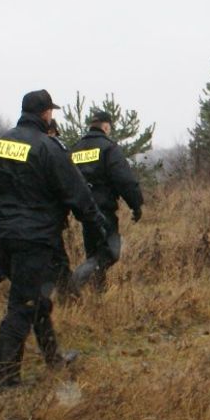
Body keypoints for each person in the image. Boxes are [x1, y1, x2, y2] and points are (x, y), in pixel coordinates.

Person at [0, 89, 108, 389]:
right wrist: (99, 233)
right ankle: (7, 382)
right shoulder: (48, 148)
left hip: (2, 237)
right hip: (34, 238)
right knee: (23, 306)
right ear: (45, 114)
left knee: (38, 299)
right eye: (50, 112)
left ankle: (54, 357)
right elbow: (79, 196)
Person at [0, 117, 73, 318]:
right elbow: (67, 187)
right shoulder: (49, 150)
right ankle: (66, 302)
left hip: (3, 223)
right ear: (50, 131)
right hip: (39, 225)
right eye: (54, 133)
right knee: (56, 263)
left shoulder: (5, 145)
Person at [69, 107, 144, 293]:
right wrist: (136, 204)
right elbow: (124, 180)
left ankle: (98, 297)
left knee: (94, 254)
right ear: (105, 126)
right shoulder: (108, 148)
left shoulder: (75, 148)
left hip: (84, 211)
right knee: (110, 252)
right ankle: (73, 282)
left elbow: (66, 180)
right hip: (103, 210)